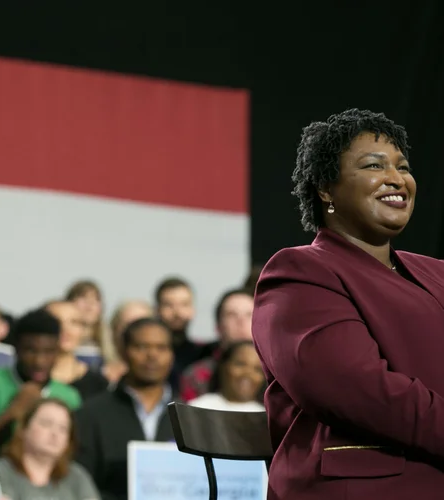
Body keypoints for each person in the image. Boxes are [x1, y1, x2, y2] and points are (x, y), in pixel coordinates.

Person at [252, 108, 444, 498]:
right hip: (366, 486)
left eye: (403, 167)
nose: (397, 178)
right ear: (325, 188)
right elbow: (358, 390)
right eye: (374, 166)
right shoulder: (298, 272)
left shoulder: (438, 273)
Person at [0, 309, 82, 469]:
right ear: (16, 348)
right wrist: (11, 412)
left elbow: (70, 459)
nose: (39, 361)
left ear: (58, 350)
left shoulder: (69, 397)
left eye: (48, 352)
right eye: (30, 350)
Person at [75, 318, 174, 500]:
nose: (152, 355)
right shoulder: (90, 414)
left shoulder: (189, 417)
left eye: (161, 348)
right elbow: (80, 482)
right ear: (123, 352)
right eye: (142, 347)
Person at [0, 398, 99, 500]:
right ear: (24, 428)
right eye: (46, 424)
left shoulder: (77, 476)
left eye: (63, 428)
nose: (55, 433)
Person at [187, 340, 264, 412]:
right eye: (240, 364)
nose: (248, 373)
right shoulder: (196, 408)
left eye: (257, 369)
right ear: (223, 366)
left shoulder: (269, 419)